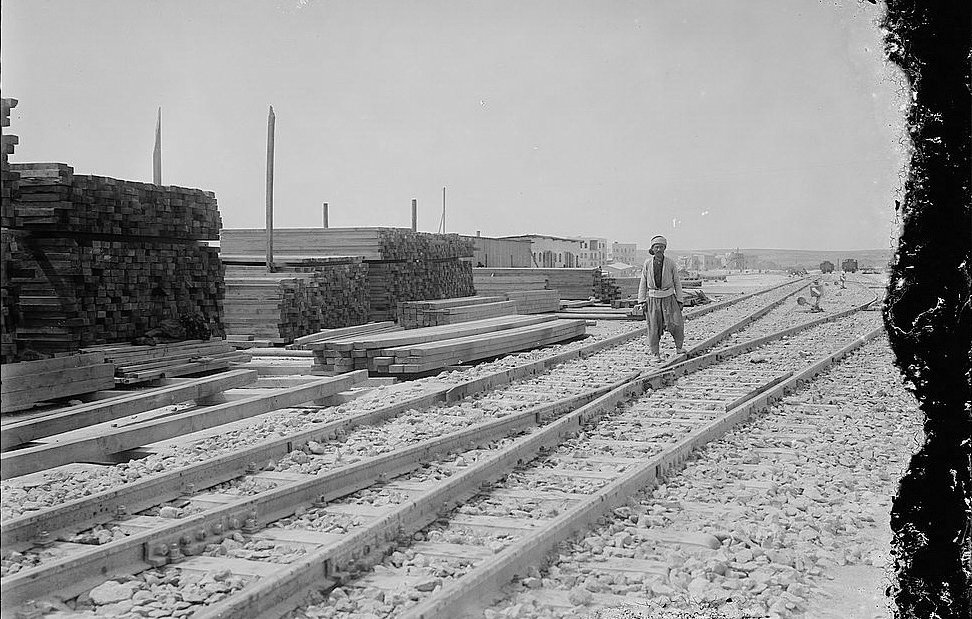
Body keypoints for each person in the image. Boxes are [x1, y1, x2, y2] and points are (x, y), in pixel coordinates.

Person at [636, 235, 686, 363]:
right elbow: (643, 282)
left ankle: (679, 347)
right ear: (652, 249)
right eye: (656, 247)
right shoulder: (647, 263)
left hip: (669, 298)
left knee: (676, 323)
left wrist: (680, 299)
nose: (659, 249)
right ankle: (655, 354)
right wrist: (641, 300)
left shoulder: (670, 263)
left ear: (665, 248)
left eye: (661, 247)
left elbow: (676, 282)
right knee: (653, 326)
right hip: (653, 299)